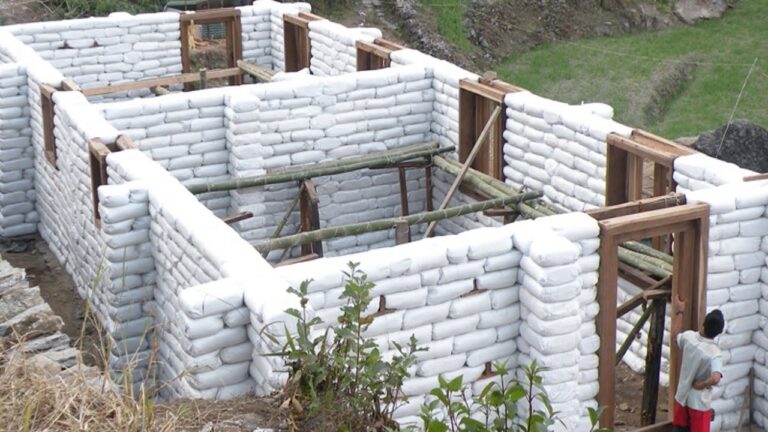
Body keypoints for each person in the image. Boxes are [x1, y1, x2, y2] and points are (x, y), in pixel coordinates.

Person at [671, 296, 725, 432]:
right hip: (699, 403)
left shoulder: (689, 337)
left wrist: (680, 311)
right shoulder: (714, 353)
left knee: (679, 430)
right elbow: (716, 378)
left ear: (703, 324)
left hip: (682, 396)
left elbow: (675, 336)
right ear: (719, 332)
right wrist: (701, 385)